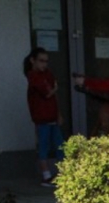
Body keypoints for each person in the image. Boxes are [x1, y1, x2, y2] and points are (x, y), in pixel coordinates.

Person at [24, 47, 63, 186]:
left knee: (60, 146)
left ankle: (63, 173)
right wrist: (54, 88)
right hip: (41, 117)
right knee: (44, 146)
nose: (44, 64)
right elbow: (47, 92)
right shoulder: (32, 76)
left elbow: (53, 95)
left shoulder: (47, 73)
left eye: (46, 61)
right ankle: (46, 175)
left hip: (52, 115)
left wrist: (58, 113)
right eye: (41, 61)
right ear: (33, 60)